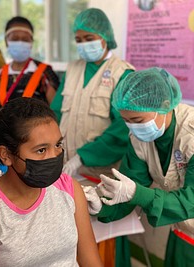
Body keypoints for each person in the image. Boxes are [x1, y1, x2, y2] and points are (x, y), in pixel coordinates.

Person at [83, 67, 194, 267]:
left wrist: (137, 193)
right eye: (126, 121)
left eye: (137, 120)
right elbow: (128, 185)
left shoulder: (191, 135)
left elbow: (192, 199)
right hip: (183, 230)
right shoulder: (140, 138)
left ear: (165, 105)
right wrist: (103, 206)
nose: (132, 127)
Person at [0, 97, 103, 267]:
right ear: (6, 155)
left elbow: (91, 262)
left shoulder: (69, 188)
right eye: (41, 150)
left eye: (58, 144)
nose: (54, 156)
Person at [50, 7, 135, 180]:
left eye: (89, 39)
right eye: (78, 40)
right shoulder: (73, 69)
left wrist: (82, 157)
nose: (83, 44)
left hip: (100, 173)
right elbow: (55, 113)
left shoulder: (122, 73)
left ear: (104, 37)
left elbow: (122, 129)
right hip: (64, 167)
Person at [0, 16, 60, 114]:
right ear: (6, 42)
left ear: (31, 43)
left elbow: (56, 111)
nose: (20, 42)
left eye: (25, 39)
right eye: (15, 39)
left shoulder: (45, 73)